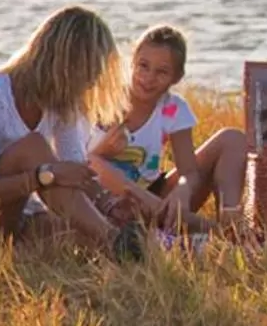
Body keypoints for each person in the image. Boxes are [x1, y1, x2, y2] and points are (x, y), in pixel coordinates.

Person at [0, 5, 144, 259]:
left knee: (84, 238)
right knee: (32, 149)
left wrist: (108, 204)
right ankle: (114, 242)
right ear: (64, 64)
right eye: (90, 71)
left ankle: (117, 241)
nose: (93, 81)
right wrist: (42, 177)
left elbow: (74, 172)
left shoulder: (63, 103)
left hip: (18, 217)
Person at [88, 24, 251, 237]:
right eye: (143, 66)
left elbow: (189, 172)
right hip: (102, 197)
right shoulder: (107, 99)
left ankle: (230, 221)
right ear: (132, 63)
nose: (148, 78)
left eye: (161, 72)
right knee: (95, 161)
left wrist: (184, 189)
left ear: (177, 77)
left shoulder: (173, 109)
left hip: (154, 195)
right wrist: (103, 151)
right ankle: (217, 234)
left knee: (232, 139)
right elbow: (82, 161)